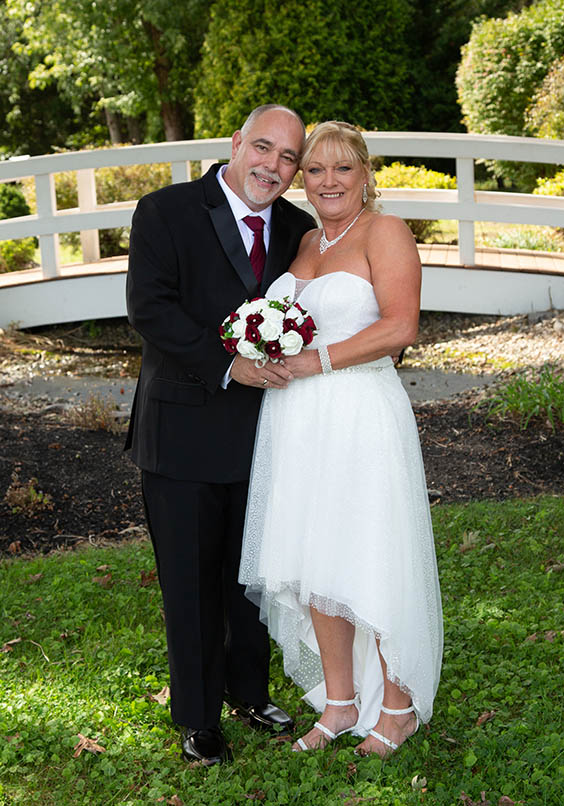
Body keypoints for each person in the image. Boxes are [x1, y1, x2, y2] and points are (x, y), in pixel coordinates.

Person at [239, 121, 443, 757]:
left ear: (365, 175)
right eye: (316, 170)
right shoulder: (302, 241)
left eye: (342, 169)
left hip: (359, 416)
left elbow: (400, 326)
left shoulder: (386, 233)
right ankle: (339, 701)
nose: (328, 181)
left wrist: (315, 362)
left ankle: (400, 705)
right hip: (297, 424)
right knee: (312, 560)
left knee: (367, 552)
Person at [125, 104, 317, 766]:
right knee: (192, 581)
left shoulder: (298, 229)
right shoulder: (165, 211)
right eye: (262, 148)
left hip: (268, 435)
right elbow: (150, 309)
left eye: (288, 157)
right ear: (236, 144)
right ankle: (198, 717)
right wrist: (227, 362)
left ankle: (250, 692)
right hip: (181, 433)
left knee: (253, 577)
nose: (273, 165)